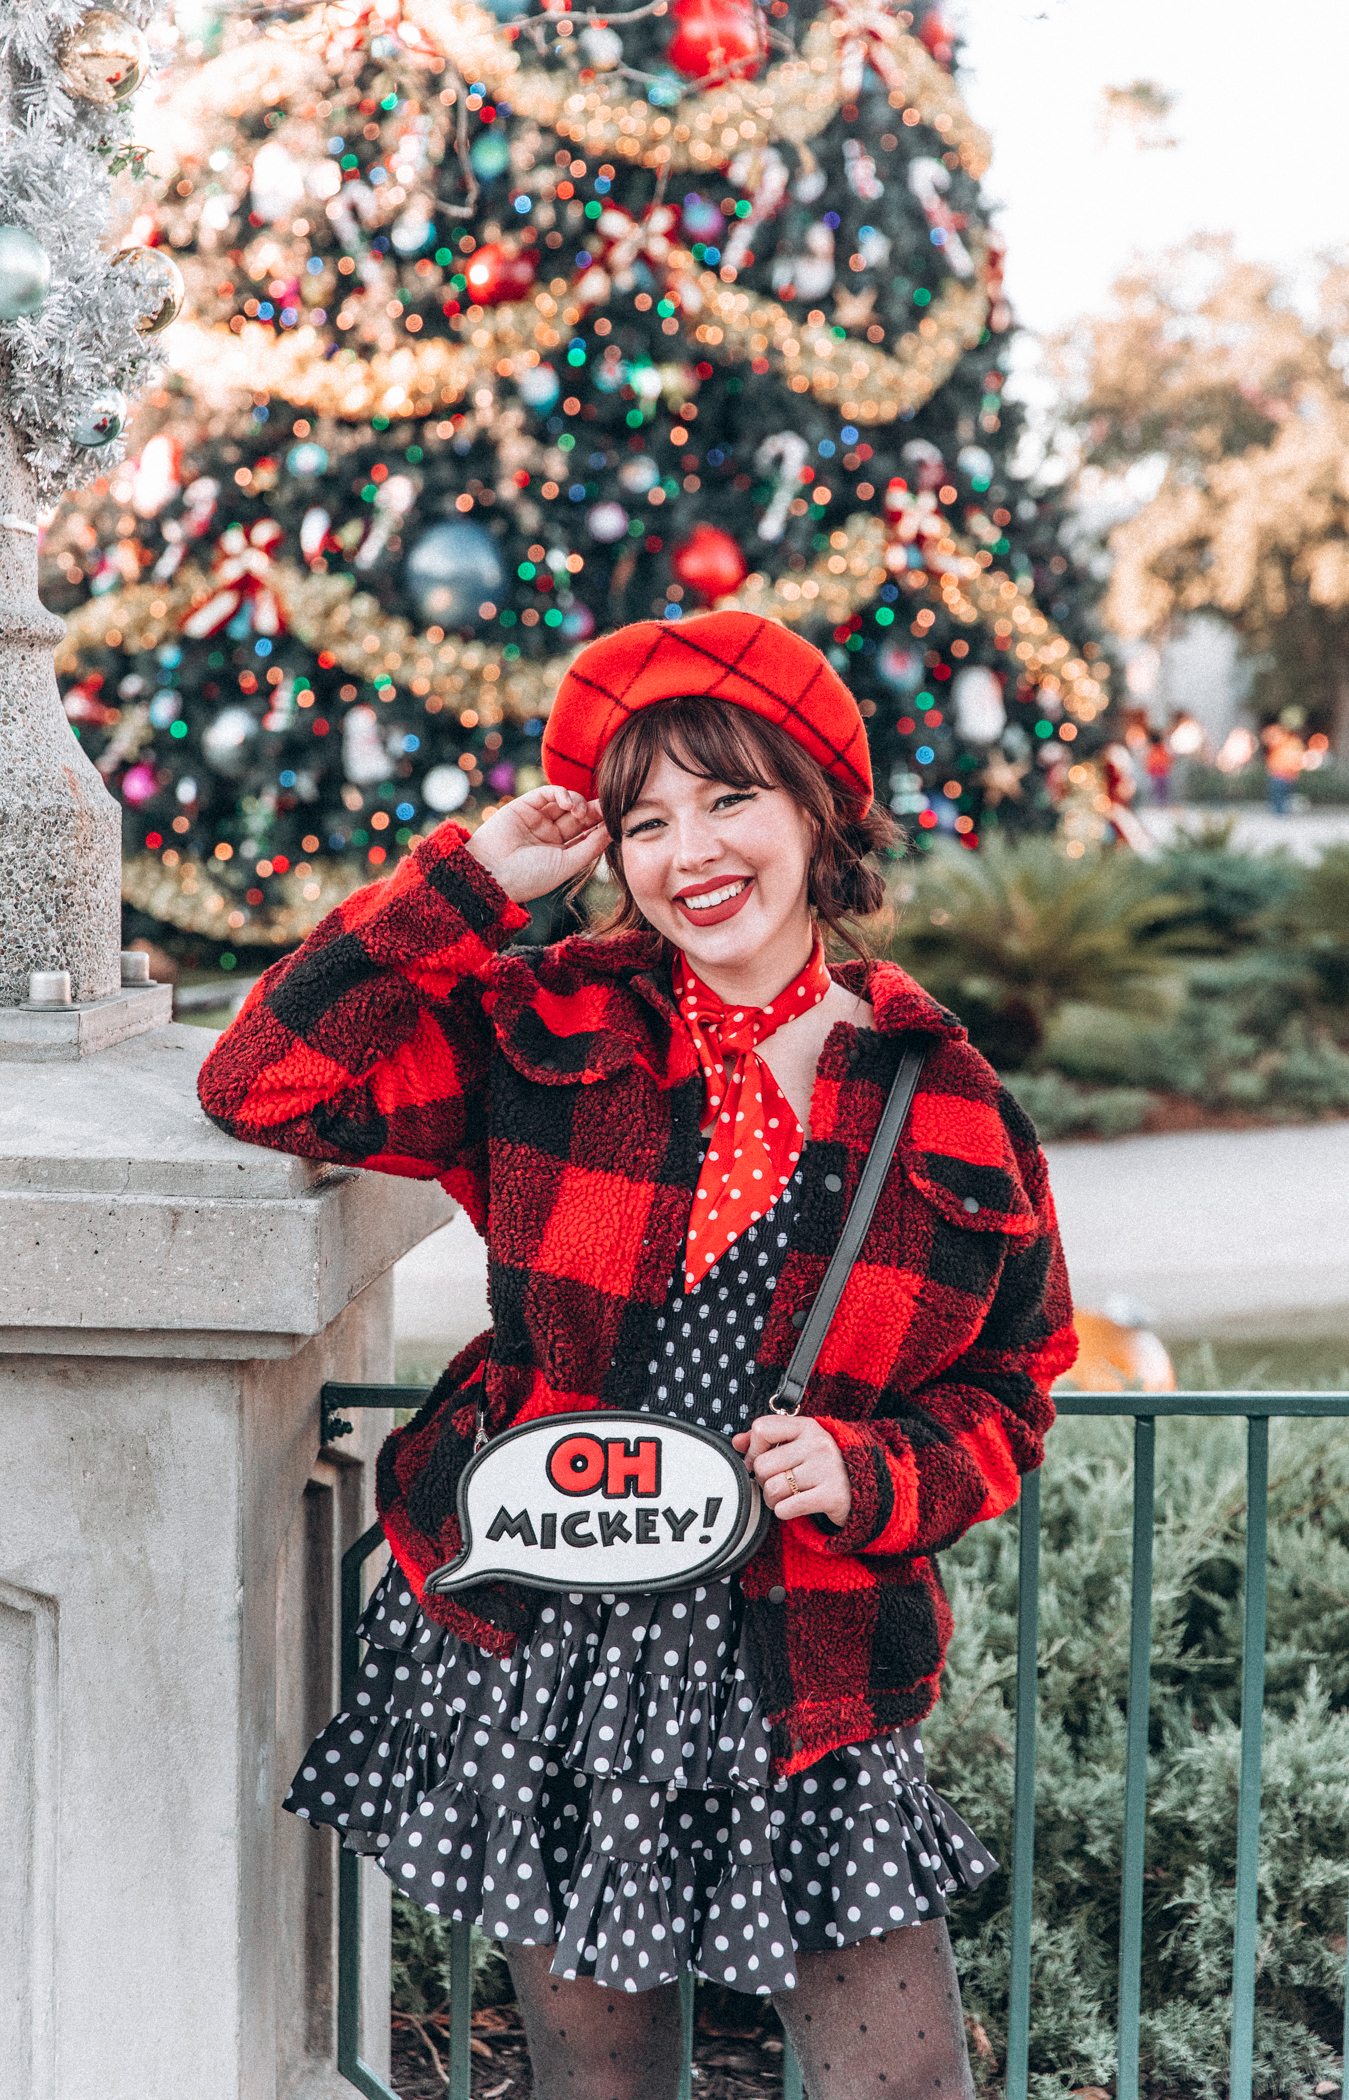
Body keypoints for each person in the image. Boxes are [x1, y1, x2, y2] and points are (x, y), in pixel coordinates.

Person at [198, 611, 1077, 2100]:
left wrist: (875, 1475)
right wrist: (471, 886)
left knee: (906, 2079)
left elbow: (1017, 1383)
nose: (692, 854)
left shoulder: (947, 1101)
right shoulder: (543, 1029)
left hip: (799, 1654)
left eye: (732, 797)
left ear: (816, 813)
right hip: (559, 1639)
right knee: (604, 2085)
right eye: (647, 819)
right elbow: (260, 1079)